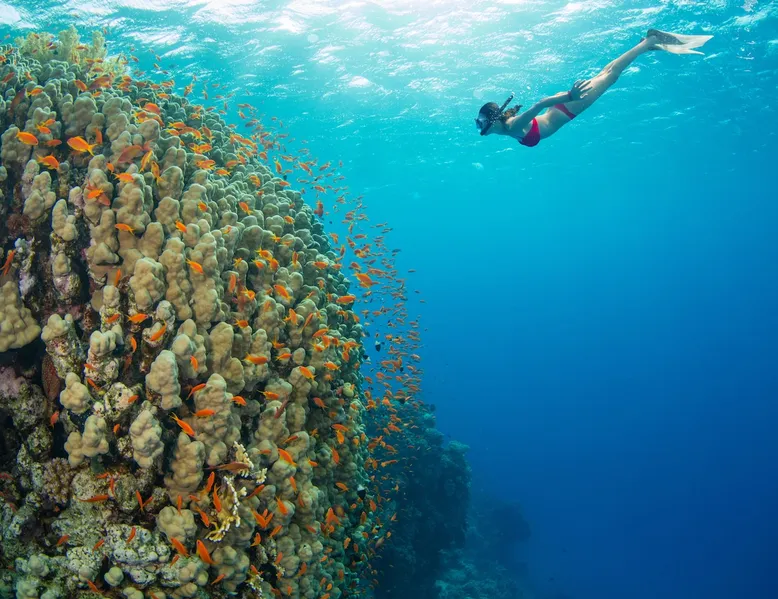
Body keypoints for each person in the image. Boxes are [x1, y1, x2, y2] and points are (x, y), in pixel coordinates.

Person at [474, 29, 713, 147]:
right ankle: (644, 45)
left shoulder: (513, 125)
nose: (480, 126)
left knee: (611, 76)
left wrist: (570, 95)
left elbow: (539, 105)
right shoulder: (509, 128)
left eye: (480, 122)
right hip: (563, 106)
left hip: (568, 106)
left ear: (492, 120)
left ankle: (649, 41)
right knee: (605, 74)